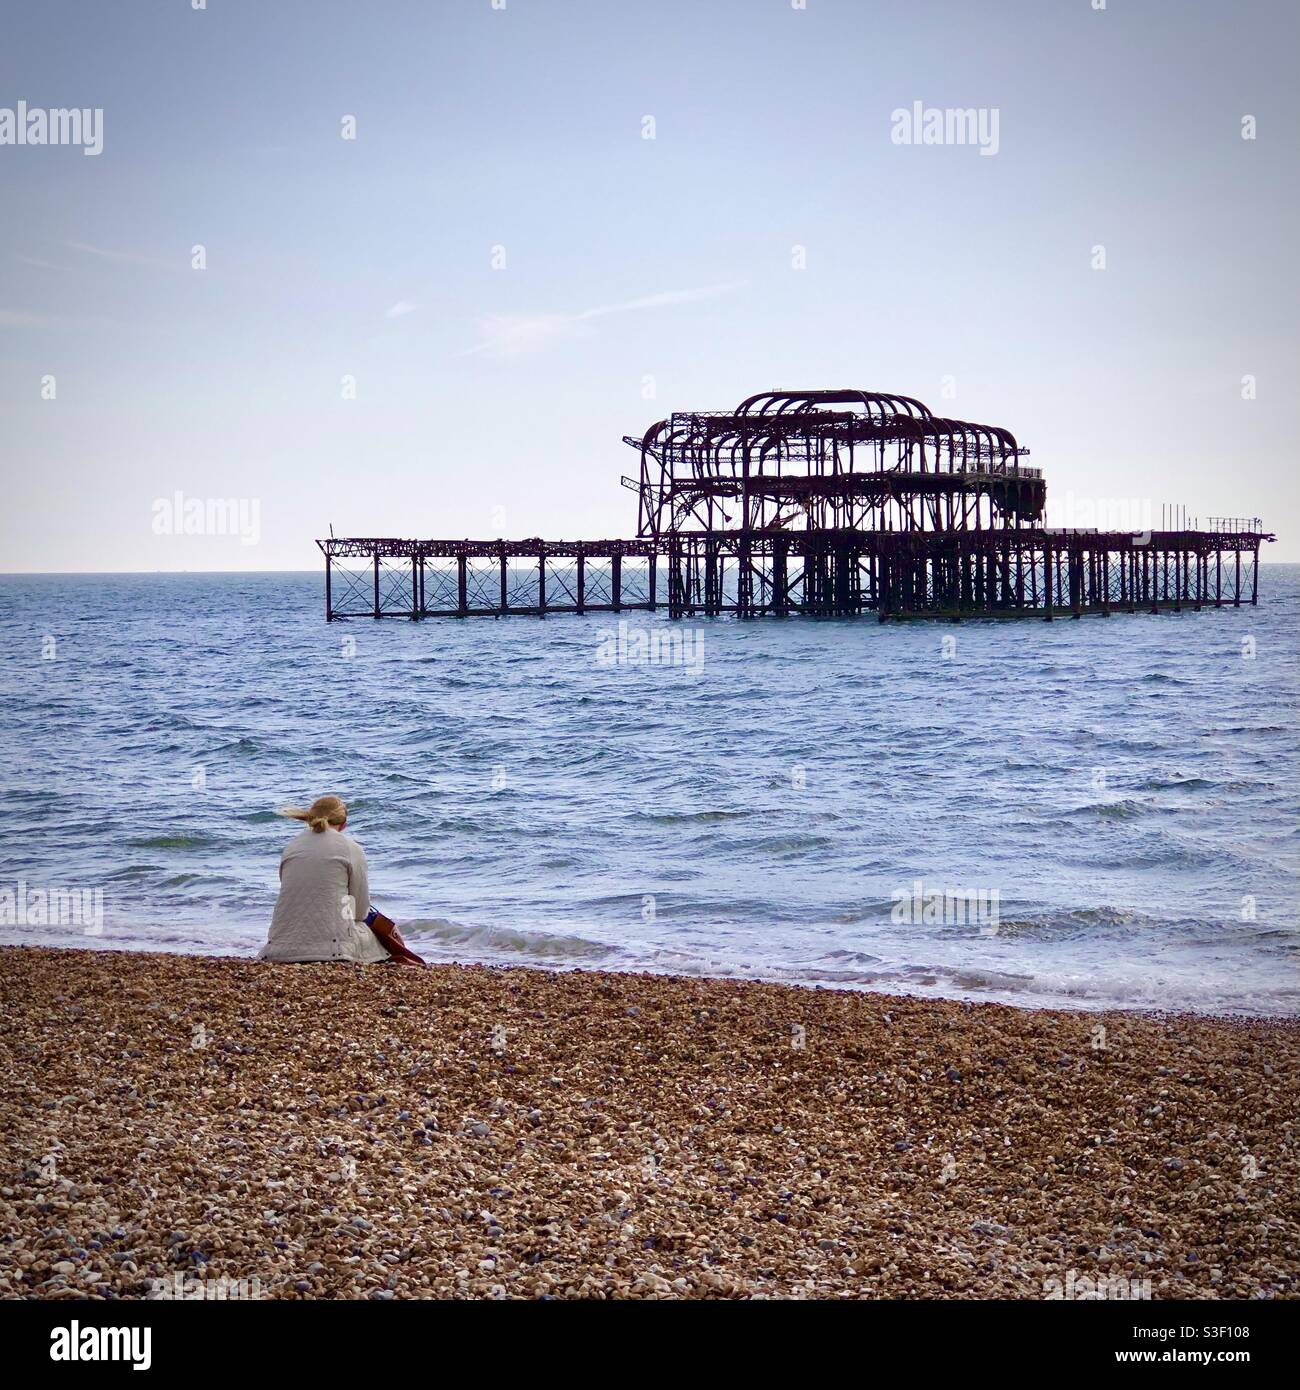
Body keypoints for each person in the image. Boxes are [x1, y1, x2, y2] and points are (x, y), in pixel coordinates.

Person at [259, 795, 390, 964]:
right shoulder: (351, 848)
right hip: (333, 949)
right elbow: (359, 911)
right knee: (375, 939)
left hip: (279, 947)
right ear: (343, 824)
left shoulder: (291, 847)